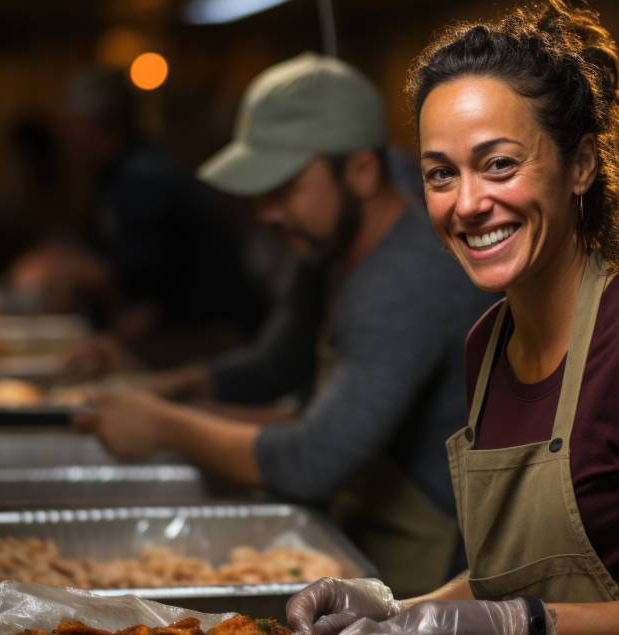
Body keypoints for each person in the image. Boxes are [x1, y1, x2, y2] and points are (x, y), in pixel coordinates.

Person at [283, 3, 619, 635]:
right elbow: (518, 575)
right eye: (439, 173)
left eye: (498, 164)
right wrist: (395, 611)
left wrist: (525, 624)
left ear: (581, 164)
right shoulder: (488, 344)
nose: (466, 203)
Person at [74, 52, 493, 597]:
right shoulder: (325, 247)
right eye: (260, 191)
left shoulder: (406, 278)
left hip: (431, 560)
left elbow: (312, 459)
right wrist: (169, 388)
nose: (266, 211)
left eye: (285, 188)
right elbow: (276, 364)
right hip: (364, 523)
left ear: (362, 170)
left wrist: (164, 424)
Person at [10, 66, 268, 354]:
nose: (68, 135)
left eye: (73, 123)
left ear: (99, 123)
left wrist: (77, 273)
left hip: (210, 331)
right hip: (189, 322)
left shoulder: (144, 175)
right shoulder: (116, 171)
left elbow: (150, 269)